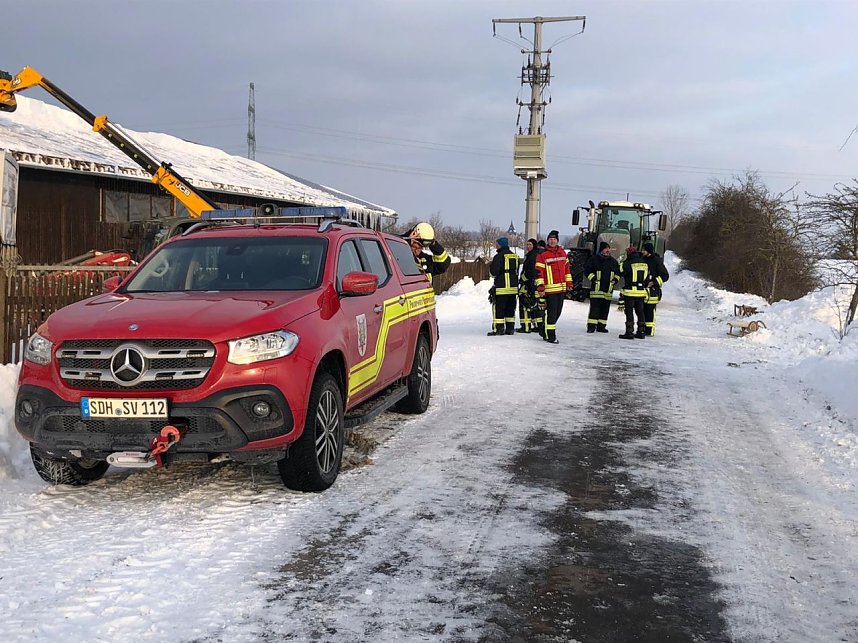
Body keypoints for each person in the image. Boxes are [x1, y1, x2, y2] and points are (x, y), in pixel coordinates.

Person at [535, 230, 572, 344]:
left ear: (557, 241)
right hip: (549, 290)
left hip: (561, 289)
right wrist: (540, 287)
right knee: (551, 313)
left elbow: (567, 270)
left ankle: (544, 329)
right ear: (548, 241)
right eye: (550, 239)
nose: (552, 241)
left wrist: (569, 283)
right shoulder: (542, 255)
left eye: (554, 239)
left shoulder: (562, 253)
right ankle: (551, 336)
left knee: (558, 312)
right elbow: (539, 273)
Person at [585, 241, 620, 333]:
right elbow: (587, 271)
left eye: (608, 248)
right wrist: (594, 279)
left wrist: (615, 280)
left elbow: (618, 273)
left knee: (605, 309)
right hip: (596, 289)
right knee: (594, 309)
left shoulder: (613, 261)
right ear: (601, 250)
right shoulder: (593, 259)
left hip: (608, 290)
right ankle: (591, 326)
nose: (608, 250)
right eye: (606, 248)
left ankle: (601, 326)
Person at [488, 237, 520, 335]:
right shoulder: (515, 256)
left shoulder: (498, 256)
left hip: (502, 287)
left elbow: (493, 273)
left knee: (499, 309)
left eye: (497, 244)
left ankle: (499, 329)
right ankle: (510, 329)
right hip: (513, 288)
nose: (495, 245)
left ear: (500, 245)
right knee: (510, 308)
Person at [618, 245, 650, 339]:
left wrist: (622, 261)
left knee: (629, 312)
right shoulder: (644, 263)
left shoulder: (628, 263)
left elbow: (620, 271)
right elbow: (648, 277)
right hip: (641, 292)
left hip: (630, 292)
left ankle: (629, 332)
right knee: (640, 312)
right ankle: (641, 332)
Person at [640, 241, 669, 336]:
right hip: (642, 292)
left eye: (644, 250)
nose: (642, 251)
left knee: (650, 312)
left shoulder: (656, 261)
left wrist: (654, 282)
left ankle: (649, 330)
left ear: (648, 251)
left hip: (652, 292)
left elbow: (665, 276)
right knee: (642, 311)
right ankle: (642, 329)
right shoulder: (641, 259)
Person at [516, 238, 539, 333]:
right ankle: (536, 325)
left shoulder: (532, 256)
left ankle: (525, 327)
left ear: (534, 245)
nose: (528, 246)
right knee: (532, 305)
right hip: (532, 284)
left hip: (529, 284)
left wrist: (522, 279)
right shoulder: (533, 255)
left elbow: (530, 271)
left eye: (530, 245)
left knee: (524, 304)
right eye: (527, 244)